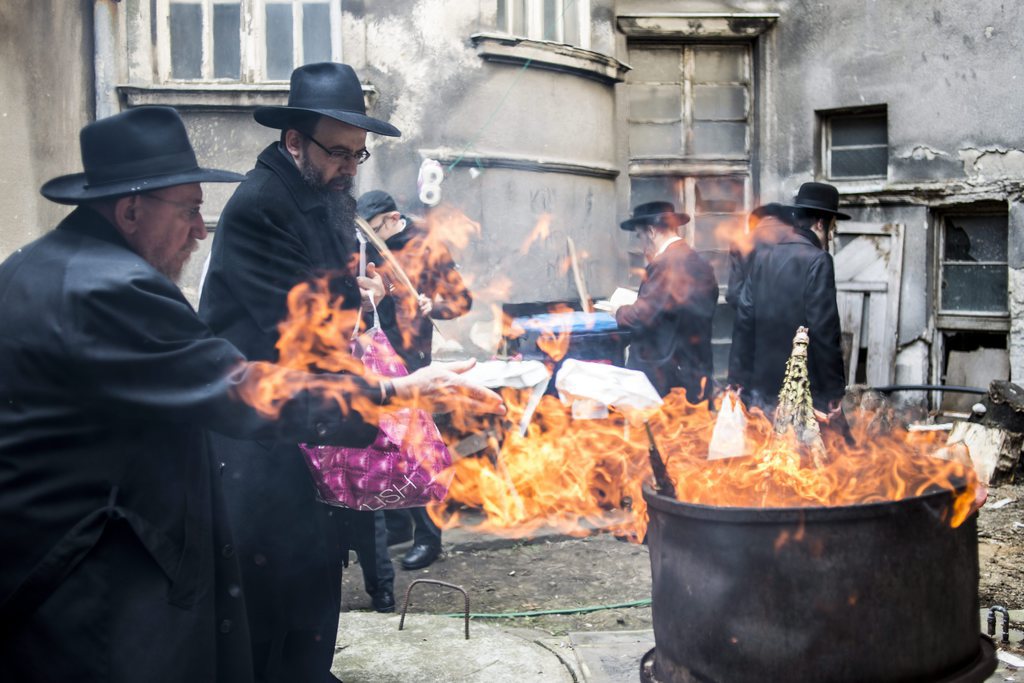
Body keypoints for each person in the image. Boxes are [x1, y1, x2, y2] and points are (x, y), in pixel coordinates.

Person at [0, 106, 503, 683]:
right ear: (130, 210)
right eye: (189, 210)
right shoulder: (112, 289)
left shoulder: (38, 265)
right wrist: (392, 390)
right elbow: (241, 388)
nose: (199, 229)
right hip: (82, 577)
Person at [197, 62, 402, 681]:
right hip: (256, 430)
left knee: (315, 563)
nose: (348, 168)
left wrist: (358, 295)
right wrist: (360, 307)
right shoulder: (263, 204)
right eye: (337, 153)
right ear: (294, 142)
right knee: (268, 581)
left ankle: (309, 670)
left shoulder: (316, 195)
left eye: (357, 156)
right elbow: (299, 323)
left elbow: (329, 298)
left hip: (303, 421)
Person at [356, 189, 474, 573]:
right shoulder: (367, 243)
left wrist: (433, 305)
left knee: (417, 447)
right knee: (380, 444)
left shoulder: (429, 244)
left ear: (391, 219)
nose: (370, 239)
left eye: (375, 230)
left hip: (411, 358)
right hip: (372, 350)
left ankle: (429, 537)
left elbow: (461, 301)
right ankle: (396, 525)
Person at [727, 182, 849, 413]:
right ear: (821, 223)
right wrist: (834, 391)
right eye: (833, 227)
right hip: (803, 387)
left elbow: (744, 321)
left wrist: (737, 379)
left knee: (769, 448)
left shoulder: (763, 256)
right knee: (816, 448)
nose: (832, 235)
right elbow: (824, 331)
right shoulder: (818, 260)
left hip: (762, 390)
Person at [613, 201, 719, 402]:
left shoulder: (666, 263)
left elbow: (641, 316)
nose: (640, 244)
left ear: (651, 231)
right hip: (696, 368)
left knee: (659, 432)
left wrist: (618, 310)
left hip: (665, 376)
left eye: (640, 236)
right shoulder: (698, 261)